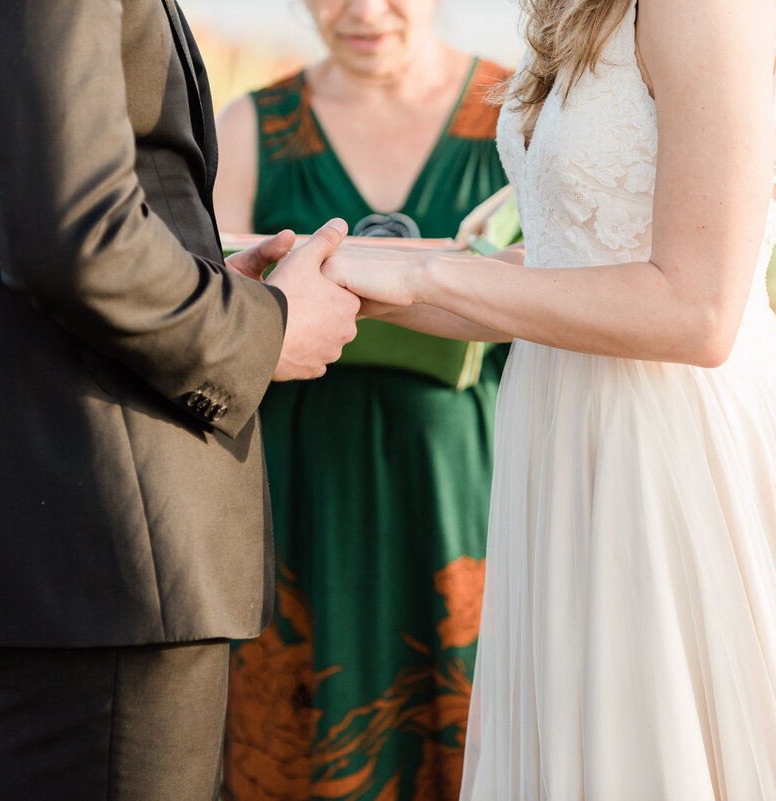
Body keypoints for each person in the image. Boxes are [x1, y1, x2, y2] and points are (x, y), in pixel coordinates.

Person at [323, 0, 776, 796]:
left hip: (668, 457)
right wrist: (339, 269)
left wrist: (421, 274)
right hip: (571, 439)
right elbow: (558, 264)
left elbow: (698, 309)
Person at [0, 0, 360, 799]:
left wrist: (199, 285)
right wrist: (264, 332)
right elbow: (70, 228)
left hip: (54, 507)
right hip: (102, 517)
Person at [213, 1, 511, 798]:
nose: (365, 10)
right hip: (300, 489)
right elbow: (201, 311)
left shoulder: (516, 113)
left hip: (466, 489)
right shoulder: (250, 127)